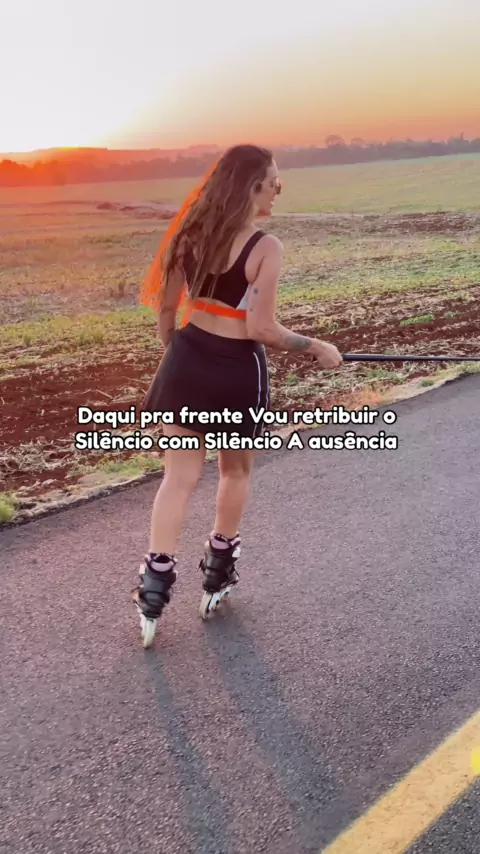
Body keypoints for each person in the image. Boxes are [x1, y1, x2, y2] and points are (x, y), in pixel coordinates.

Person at [133, 143, 343, 639]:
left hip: (185, 360)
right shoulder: (265, 247)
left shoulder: (188, 235)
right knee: (235, 470)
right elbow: (261, 329)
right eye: (274, 182)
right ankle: (218, 570)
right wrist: (318, 347)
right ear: (251, 186)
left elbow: (168, 312)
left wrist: (182, 356)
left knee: (177, 478)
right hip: (236, 373)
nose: (278, 191)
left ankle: (154, 586)